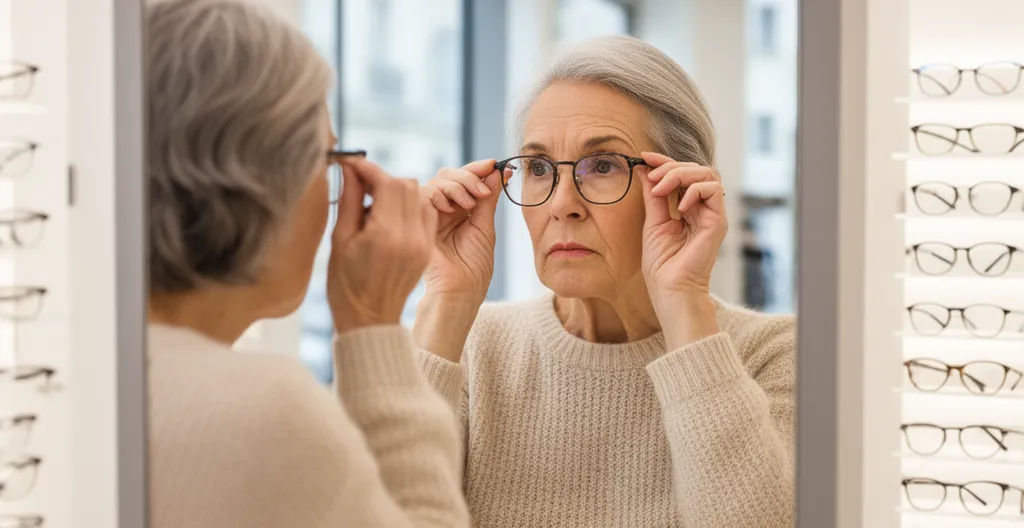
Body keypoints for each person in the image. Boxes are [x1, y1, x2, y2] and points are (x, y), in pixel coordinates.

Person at [415, 35, 795, 527]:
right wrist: (445, 303)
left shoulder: (772, 356)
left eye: (603, 165)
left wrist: (684, 302)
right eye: (539, 167)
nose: (561, 204)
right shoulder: (473, 348)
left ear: (682, 187)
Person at [144, 1, 469, 526]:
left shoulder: (87, 367)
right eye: (330, 161)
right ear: (262, 179)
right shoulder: (263, 413)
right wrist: (372, 323)